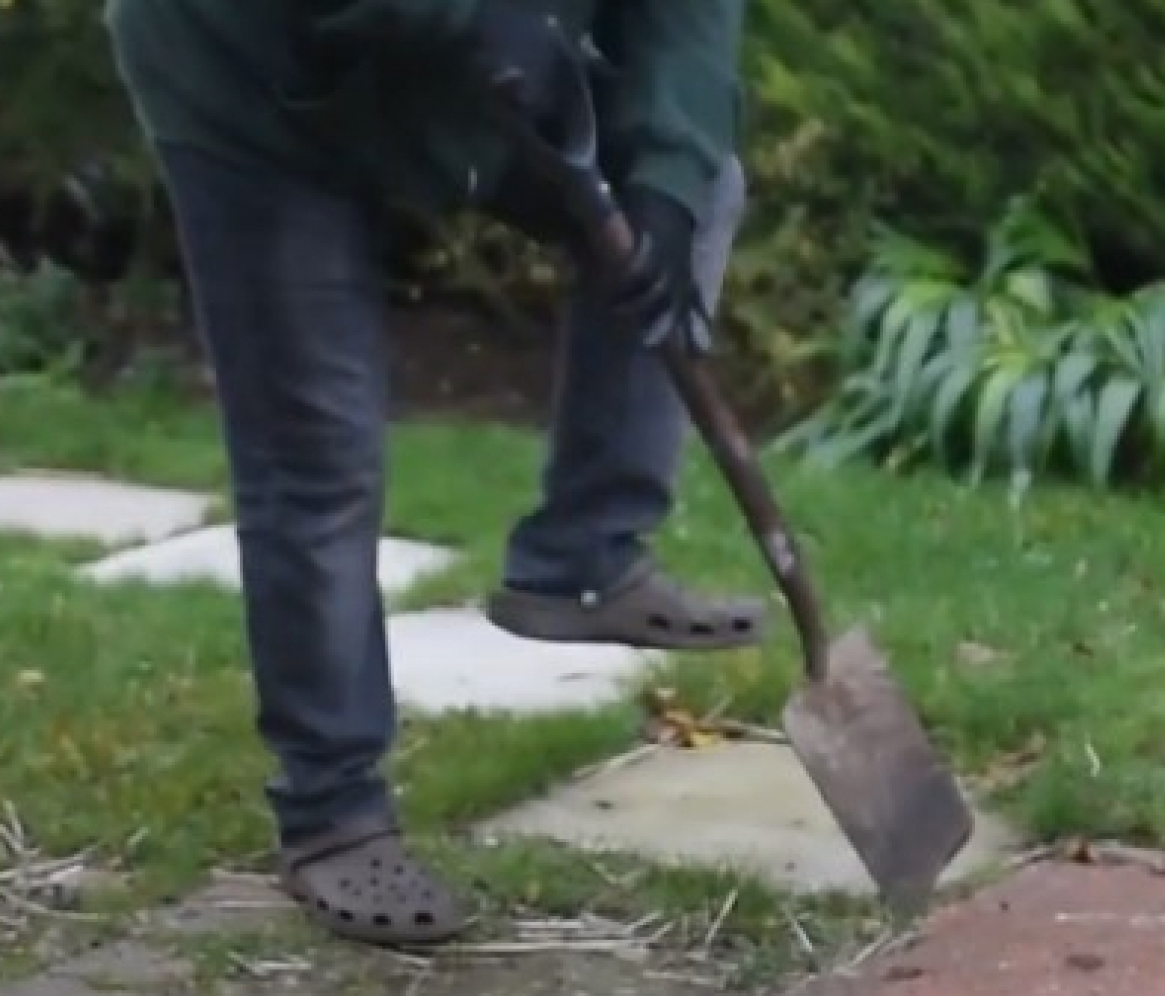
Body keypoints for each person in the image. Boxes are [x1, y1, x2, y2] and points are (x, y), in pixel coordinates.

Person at [100, 0, 758, 946]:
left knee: (693, 184)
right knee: (317, 452)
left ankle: (585, 557)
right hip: (252, 75)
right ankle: (333, 811)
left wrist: (667, 180)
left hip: (462, 67)